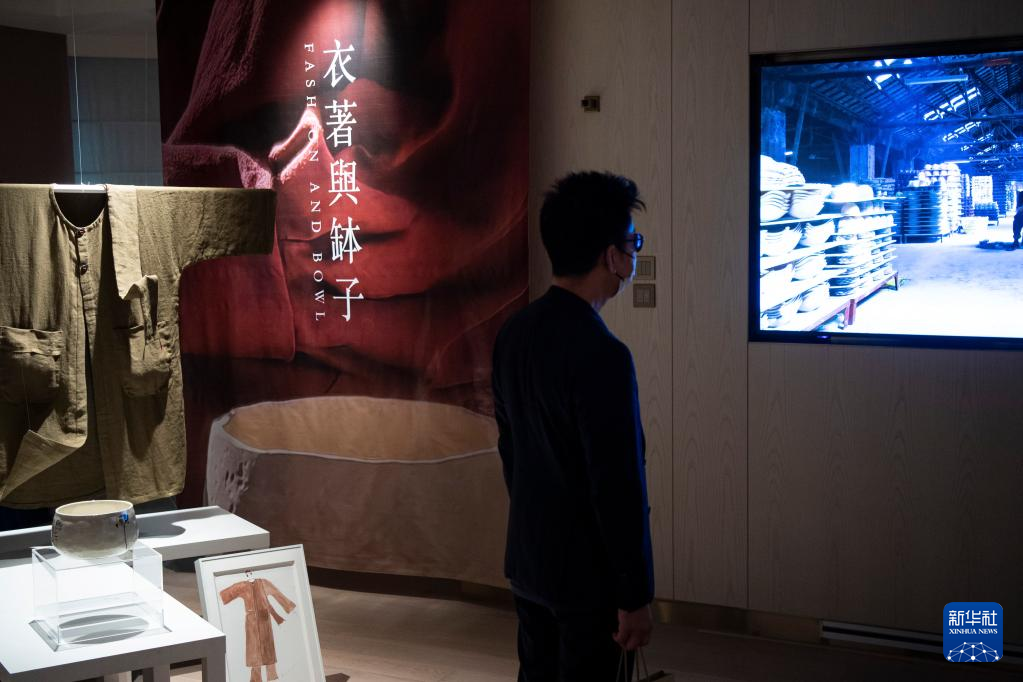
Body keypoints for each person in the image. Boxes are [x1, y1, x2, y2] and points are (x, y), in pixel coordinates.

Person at [491, 171, 654, 681]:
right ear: (611, 256)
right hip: (587, 580)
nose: (634, 256)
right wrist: (635, 595)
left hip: (528, 562)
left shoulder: (514, 333)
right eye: (633, 243)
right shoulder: (603, 354)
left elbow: (511, 453)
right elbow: (617, 486)